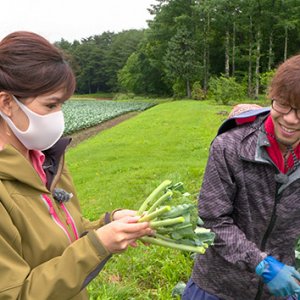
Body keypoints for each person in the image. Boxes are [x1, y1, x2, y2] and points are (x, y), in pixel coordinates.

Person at [0, 31, 154, 300]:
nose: (58, 116)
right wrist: (99, 244)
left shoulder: (45, 159)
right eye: (51, 105)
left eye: (62, 104)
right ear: (6, 103)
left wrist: (106, 224)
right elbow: (16, 294)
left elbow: (61, 231)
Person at [183, 54, 300, 300]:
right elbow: (213, 220)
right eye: (282, 104)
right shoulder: (230, 147)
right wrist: (262, 264)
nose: (290, 118)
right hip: (217, 286)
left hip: (276, 292)